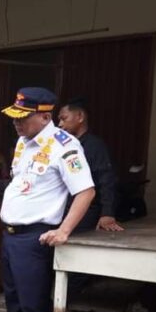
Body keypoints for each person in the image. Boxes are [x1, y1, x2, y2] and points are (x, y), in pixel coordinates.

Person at [0, 88, 95, 312]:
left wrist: (64, 230)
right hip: (11, 235)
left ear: (45, 116)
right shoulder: (23, 142)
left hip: (35, 237)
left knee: (34, 304)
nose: (16, 124)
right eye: (14, 118)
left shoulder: (65, 146)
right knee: (15, 301)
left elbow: (85, 191)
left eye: (24, 118)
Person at [58, 98, 123, 232]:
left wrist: (107, 213)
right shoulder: (61, 146)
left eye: (64, 118)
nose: (59, 124)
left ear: (80, 117)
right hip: (61, 212)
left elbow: (106, 180)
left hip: (85, 213)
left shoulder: (94, 146)